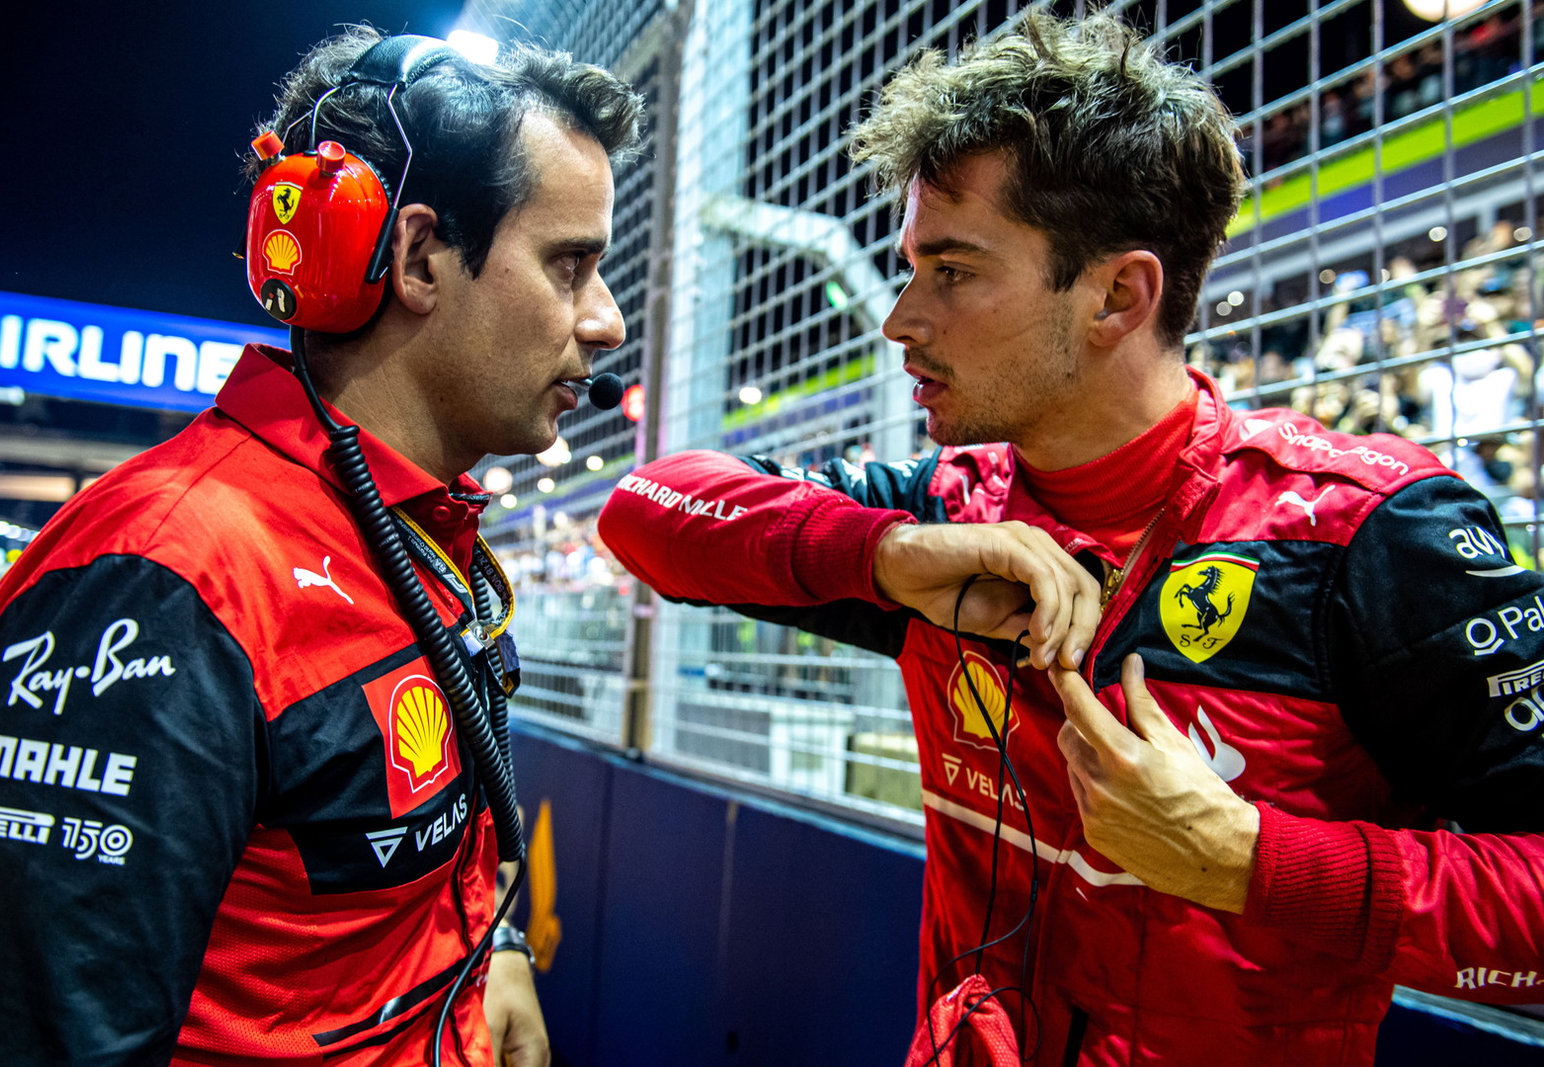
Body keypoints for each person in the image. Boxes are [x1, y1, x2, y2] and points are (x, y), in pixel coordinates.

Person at [597, 14, 1544, 1065]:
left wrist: (1252, 859)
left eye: (952, 270)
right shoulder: (943, 517)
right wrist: (884, 554)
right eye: (909, 267)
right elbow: (644, 508)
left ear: (1117, 295)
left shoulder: (1361, 533)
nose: (899, 319)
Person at [0, 26, 640, 1066]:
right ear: (417, 257)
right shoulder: (167, 578)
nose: (607, 321)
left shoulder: (415, 531)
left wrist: (491, 951)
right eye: (570, 265)